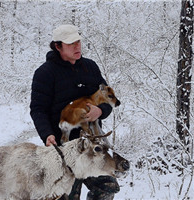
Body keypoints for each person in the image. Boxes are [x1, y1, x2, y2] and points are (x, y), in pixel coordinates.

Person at [30, 24, 119, 200]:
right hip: (64, 149)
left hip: (94, 146)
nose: (77, 47)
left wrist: (100, 111)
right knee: (68, 196)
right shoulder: (45, 73)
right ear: (58, 46)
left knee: (108, 187)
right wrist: (47, 135)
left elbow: (109, 98)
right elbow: (38, 109)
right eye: (71, 44)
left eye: (78, 42)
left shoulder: (90, 67)